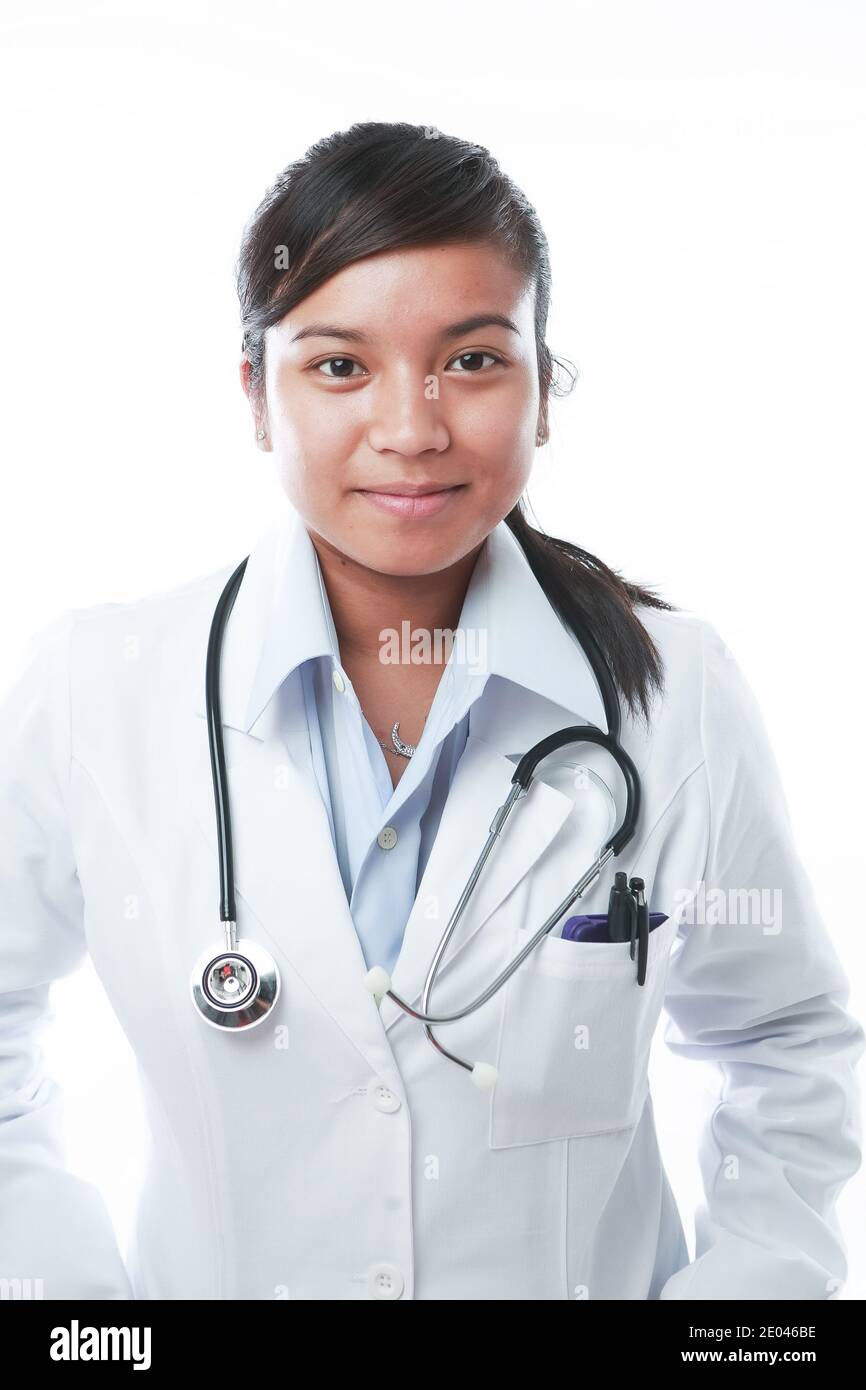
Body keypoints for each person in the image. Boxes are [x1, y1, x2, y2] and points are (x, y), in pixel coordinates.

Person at [0, 121, 862, 1301]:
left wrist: (736, 1316)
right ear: (258, 395)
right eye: (339, 365)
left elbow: (783, 1044)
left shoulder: (676, 692)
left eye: (470, 360)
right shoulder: (96, 689)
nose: (410, 429)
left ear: (542, 388)